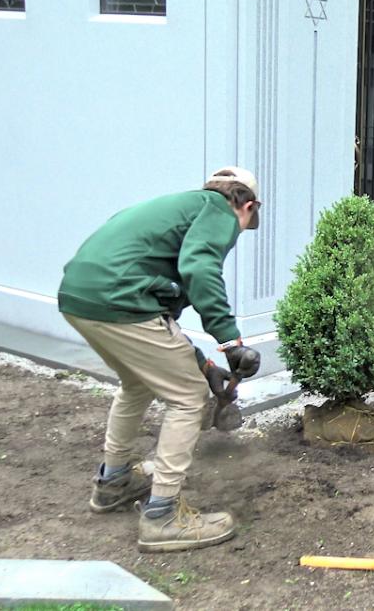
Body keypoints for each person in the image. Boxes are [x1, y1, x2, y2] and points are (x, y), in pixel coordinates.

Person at [58, 167, 263, 552]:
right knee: (187, 398)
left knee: (138, 382)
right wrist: (229, 340)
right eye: (248, 220)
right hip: (121, 300)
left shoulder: (174, 209)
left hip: (81, 296)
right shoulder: (218, 210)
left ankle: (113, 482)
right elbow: (200, 268)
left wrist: (202, 363)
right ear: (247, 206)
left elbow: (160, 322)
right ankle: (163, 516)